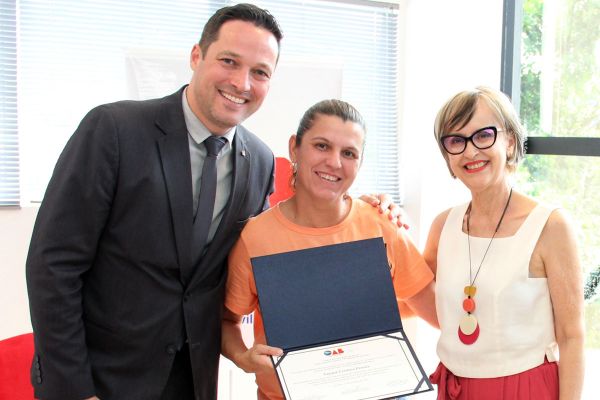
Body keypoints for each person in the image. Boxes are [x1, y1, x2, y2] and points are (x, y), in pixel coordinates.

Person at [25, 4, 402, 400]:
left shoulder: (258, 160)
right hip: (103, 378)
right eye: (229, 61)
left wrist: (365, 207)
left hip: (193, 379)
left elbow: (272, 254)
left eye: (260, 72)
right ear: (196, 55)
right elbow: (53, 265)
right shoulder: (115, 130)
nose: (242, 82)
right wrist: (75, 389)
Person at [221, 99, 438, 400]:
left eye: (349, 153)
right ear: (295, 147)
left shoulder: (381, 225)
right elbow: (227, 320)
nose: (334, 162)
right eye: (322, 146)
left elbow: (438, 311)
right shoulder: (255, 237)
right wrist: (243, 358)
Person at [424, 86, 585, 399]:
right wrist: (382, 216)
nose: (470, 152)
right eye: (456, 140)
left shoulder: (551, 226)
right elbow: (410, 293)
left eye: (483, 135)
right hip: (456, 387)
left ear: (509, 141)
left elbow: (572, 336)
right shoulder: (443, 226)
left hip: (526, 389)